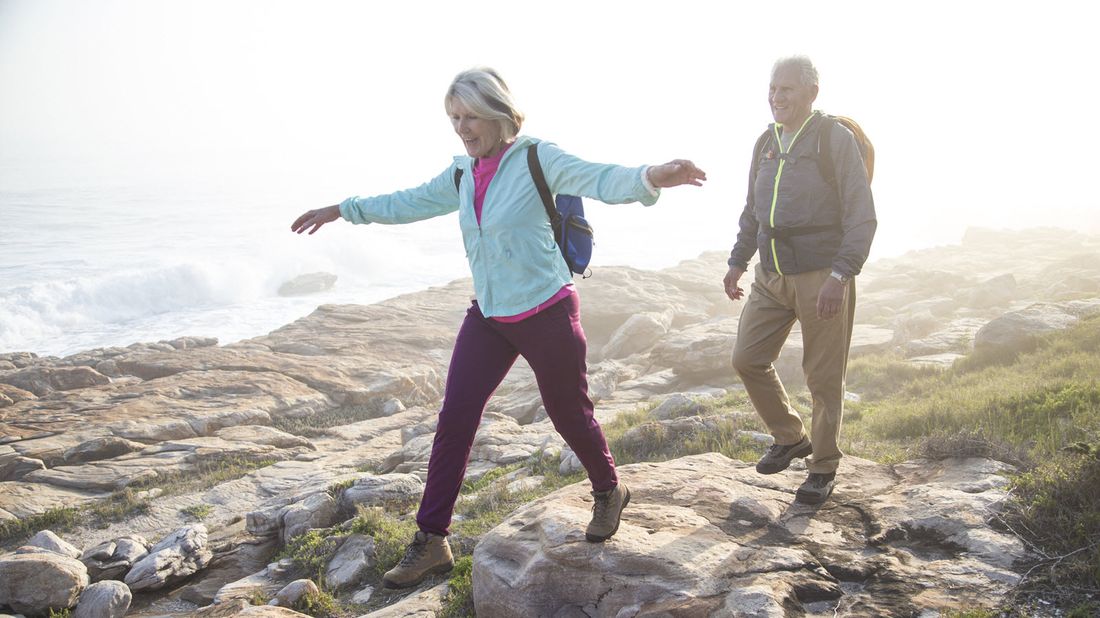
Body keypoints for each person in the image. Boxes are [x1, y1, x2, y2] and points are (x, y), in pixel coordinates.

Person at [292, 67, 706, 588]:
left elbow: (598, 177)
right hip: (489, 315)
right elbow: (408, 202)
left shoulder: (537, 157)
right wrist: (342, 209)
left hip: (546, 310)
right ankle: (432, 540)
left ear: (497, 113)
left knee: (568, 413)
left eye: (470, 117)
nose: (462, 128)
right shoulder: (463, 173)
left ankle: (607, 489)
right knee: (455, 419)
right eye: (453, 118)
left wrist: (651, 177)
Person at [724, 56, 876, 505]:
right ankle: (790, 436)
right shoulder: (764, 143)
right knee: (747, 358)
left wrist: (841, 274)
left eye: (787, 88)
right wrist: (737, 260)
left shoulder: (833, 139)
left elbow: (861, 213)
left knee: (822, 377)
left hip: (821, 275)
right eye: (773, 88)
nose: (777, 96)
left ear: (811, 91)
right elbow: (754, 208)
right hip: (770, 275)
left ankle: (823, 465)